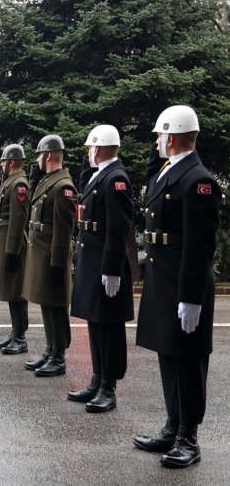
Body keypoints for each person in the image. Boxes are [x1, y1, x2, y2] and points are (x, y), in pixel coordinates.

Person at [133, 105, 221, 468]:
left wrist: (191, 297)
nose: (156, 141)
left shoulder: (199, 180)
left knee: (188, 360)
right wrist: (159, 154)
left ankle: (189, 437)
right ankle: (172, 426)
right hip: (163, 279)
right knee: (168, 354)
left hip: (184, 282)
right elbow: (151, 191)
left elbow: (200, 245)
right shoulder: (169, 171)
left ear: (172, 137)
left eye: (160, 135)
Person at [68, 125, 134, 413]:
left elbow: (119, 228)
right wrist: (88, 161)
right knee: (95, 322)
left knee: (109, 327)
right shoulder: (100, 174)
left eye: (90, 148)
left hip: (105, 262)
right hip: (92, 259)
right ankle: (97, 380)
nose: (88, 152)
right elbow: (85, 189)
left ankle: (109, 387)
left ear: (99, 147)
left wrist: (112, 268)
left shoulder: (116, 178)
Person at [21, 135, 77, 377]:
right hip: (41, 252)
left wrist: (58, 263)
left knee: (56, 305)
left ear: (49, 155)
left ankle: (59, 356)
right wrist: (35, 172)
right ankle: (50, 349)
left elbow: (64, 230)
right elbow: (32, 199)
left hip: (52, 254)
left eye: (39, 156)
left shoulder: (63, 186)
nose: (36, 160)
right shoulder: (48, 181)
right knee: (47, 302)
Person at [0, 145, 31, 355]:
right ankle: (15, 333)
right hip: (6, 242)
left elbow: (18, 219)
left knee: (16, 292)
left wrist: (13, 250)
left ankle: (20, 337)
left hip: (13, 244)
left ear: (12, 161)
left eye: (4, 161)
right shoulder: (11, 182)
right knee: (10, 290)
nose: (1, 164)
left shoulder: (19, 184)